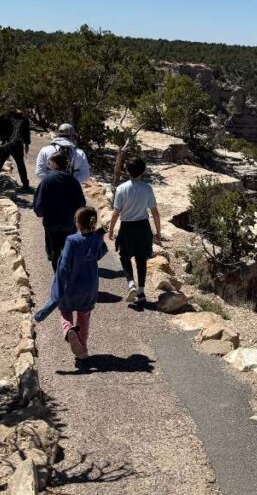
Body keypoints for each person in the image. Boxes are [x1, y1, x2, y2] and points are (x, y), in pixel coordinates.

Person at [34, 206, 107, 367]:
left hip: (71, 286)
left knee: (65, 311)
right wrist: (99, 237)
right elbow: (100, 255)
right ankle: (83, 348)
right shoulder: (96, 238)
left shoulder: (72, 240)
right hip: (89, 286)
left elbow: (64, 266)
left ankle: (69, 331)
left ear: (77, 223)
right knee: (84, 316)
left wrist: (58, 287)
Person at [108, 157, 161, 304]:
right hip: (143, 227)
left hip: (127, 227)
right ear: (143, 171)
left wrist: (111, 230)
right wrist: (158, 232)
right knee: (141, 259)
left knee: (125, 257)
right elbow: (155, 212)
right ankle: (142, 292)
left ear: (127, 171)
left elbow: (116, 212)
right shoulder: (147, 188)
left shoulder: (121, 188)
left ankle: (131, 283)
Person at [33, 151, 87, 270]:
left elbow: (40, 202)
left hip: (51, 223)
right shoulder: (73, 181)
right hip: (69, 223)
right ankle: (67, 275)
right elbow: (81, 203)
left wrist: (40, 213)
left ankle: (58, 277)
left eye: (50, 162)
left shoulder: (47, 180)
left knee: (55, 251)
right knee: (67, 250)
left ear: (55, 164)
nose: (49, 164)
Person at [0, 108, 31, 191]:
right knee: (20, 164)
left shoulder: (4, 117)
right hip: (16, 145)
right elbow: (26, 133)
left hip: (6, 144)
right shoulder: (23, 119)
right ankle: (25, 184)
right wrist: (26, 144)